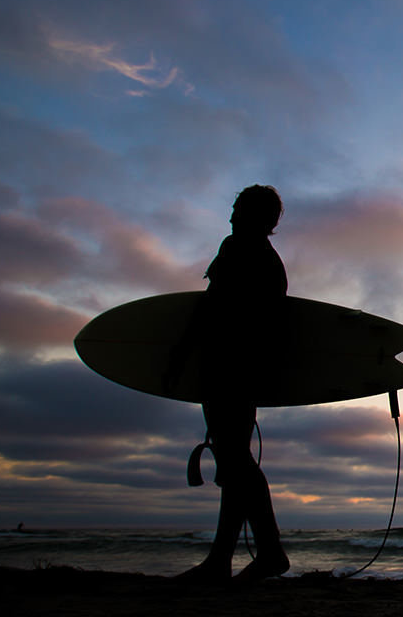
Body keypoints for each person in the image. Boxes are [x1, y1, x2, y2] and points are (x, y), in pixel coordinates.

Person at [176, 184, 291, 582]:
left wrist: (180, 357)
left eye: (238, 208)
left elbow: (212, 308)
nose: (230, 214)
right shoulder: (266, 259)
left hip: (230, 368)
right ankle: (223, 558)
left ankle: (268, 552)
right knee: (233, 460)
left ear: (257, 216)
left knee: (236, 461)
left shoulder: (242, 248)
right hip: (243, 369)